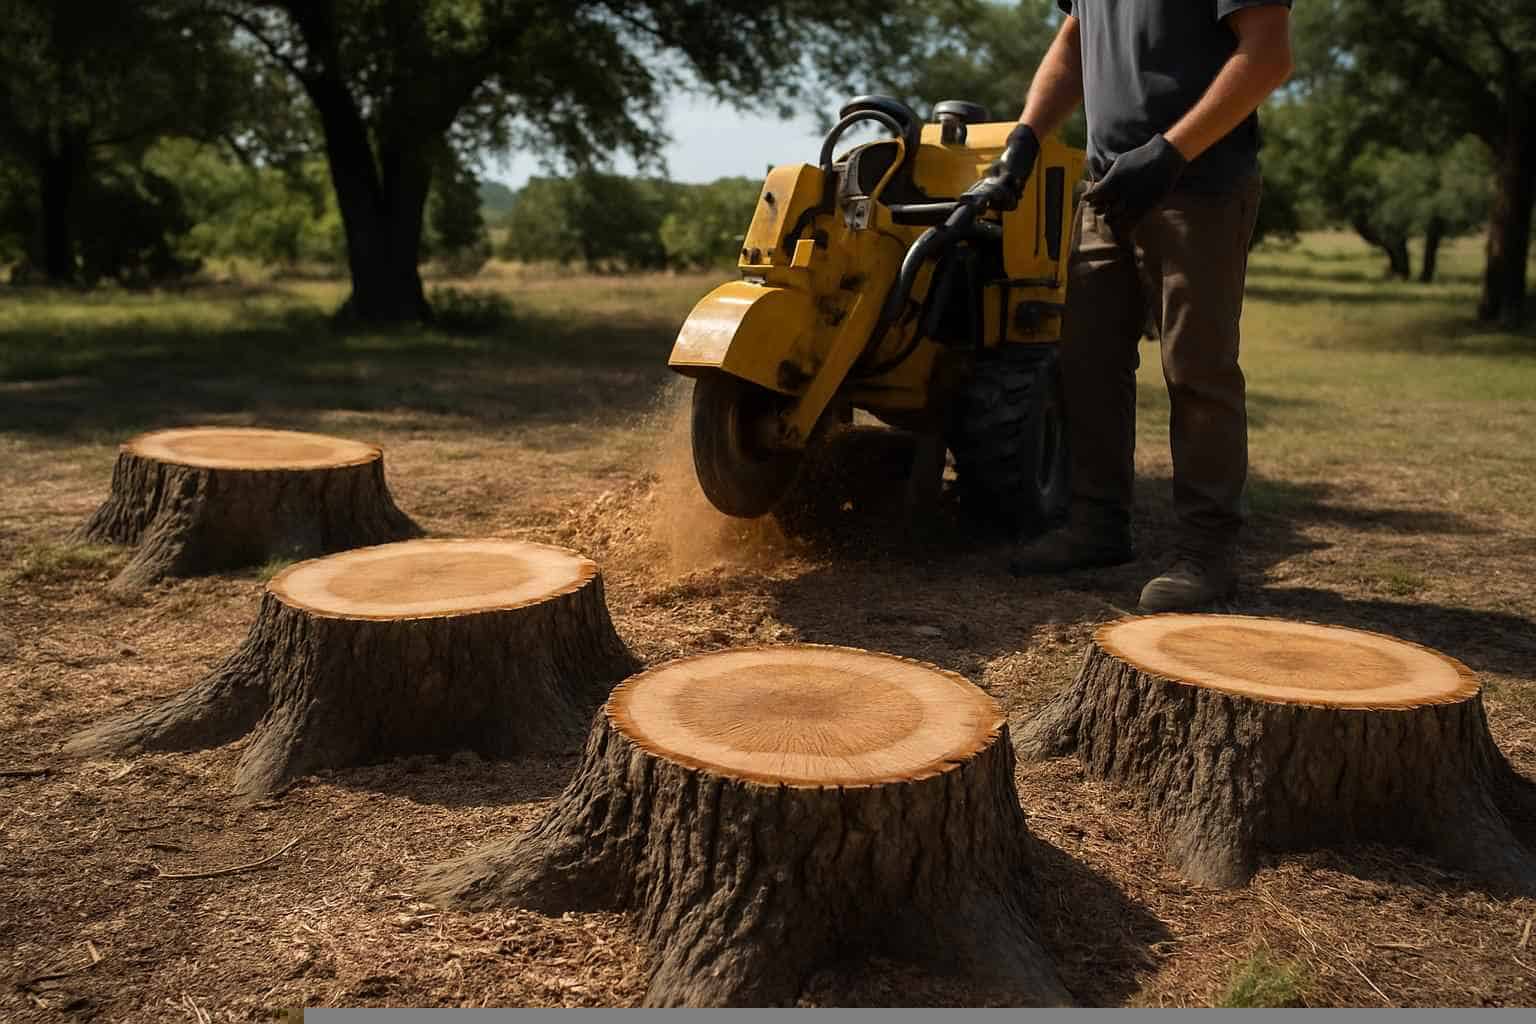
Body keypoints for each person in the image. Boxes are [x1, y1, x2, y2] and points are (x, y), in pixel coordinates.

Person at [968, 1, 1294, 612]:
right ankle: (1098, 525)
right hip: (1107, 188)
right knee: (1084, 360)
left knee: (1197, 369)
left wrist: (1172, 151)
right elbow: (1073, 43)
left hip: (1199, 187)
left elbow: (1268, 55)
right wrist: (1024, 138)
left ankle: (1207, 552)